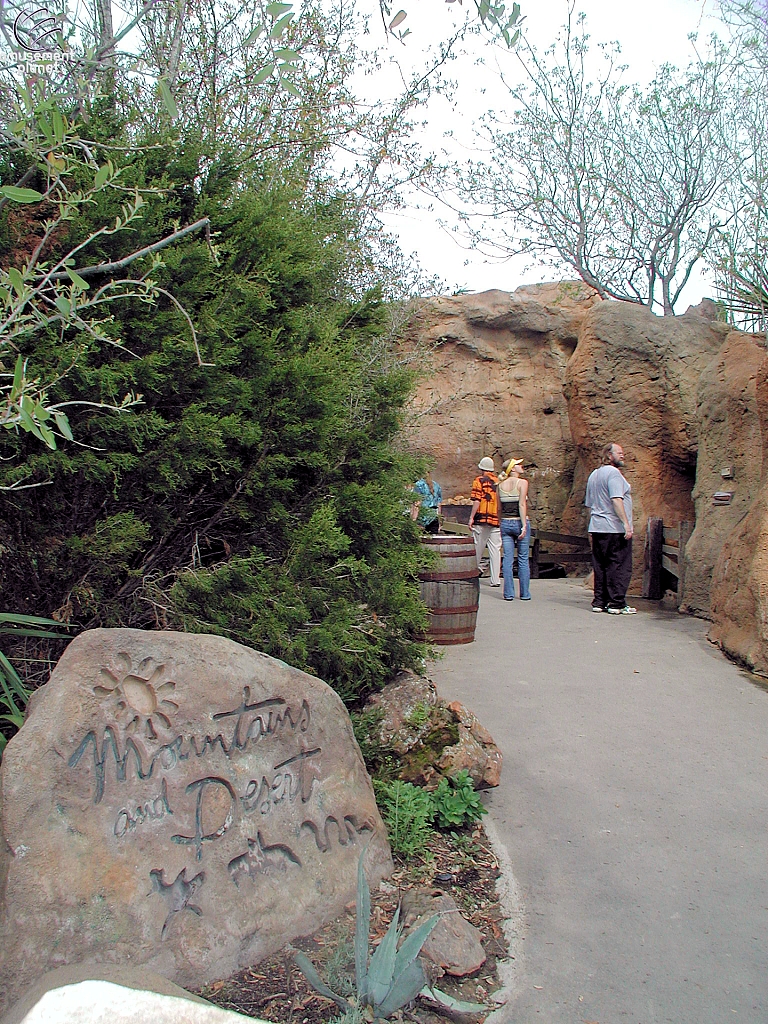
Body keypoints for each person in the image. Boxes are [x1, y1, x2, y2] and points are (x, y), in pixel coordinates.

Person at [585, 442, 636, 614]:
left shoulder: (594, 474)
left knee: (600, 565)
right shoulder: (614, 474)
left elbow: (589, 504)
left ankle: (599, 601)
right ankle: (617, 603)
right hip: (613, 528)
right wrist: (626, 524)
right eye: (619, 452)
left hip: (597, 527)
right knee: (619, 565)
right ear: (609, 455)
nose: (623, 455)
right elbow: (616, 499)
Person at [498, 457, 531, 601]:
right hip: (518, 522)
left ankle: (508, 593)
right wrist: (524, 525)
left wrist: (500, 522)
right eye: (518, 464)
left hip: (505, 522)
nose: (521, 466)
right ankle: (524, 593)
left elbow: (499, 508)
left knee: (508, 559)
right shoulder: (522, 483)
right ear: (512, 468)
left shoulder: (500, 485)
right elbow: (522, 504)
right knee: (523, 558)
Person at [467, 456, 502, 587]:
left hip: (481, 518)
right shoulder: (498, 482)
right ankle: (495, 579)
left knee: (478, 548)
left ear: (481, 468)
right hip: (495, 519)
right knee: (495, 549)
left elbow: (477, 500)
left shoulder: (478, 481)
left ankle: (473, 575)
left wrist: (471, 517)